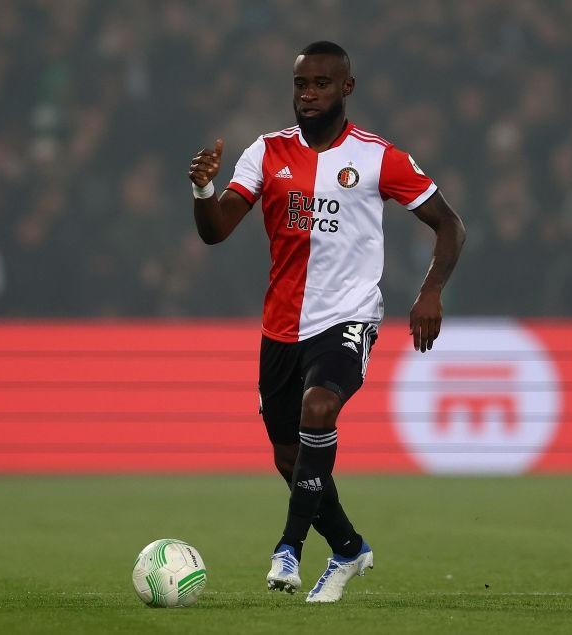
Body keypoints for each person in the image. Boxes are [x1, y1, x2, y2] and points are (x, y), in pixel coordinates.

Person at [187, 41, 466, 602]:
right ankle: (348, 548)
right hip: (281, 328)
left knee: (320, 407)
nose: (307, 94)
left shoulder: (377, 157)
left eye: (319, 83)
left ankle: (287, 549)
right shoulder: (264, 152)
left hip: (349, 316)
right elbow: (215, 230)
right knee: (288, 456)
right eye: (300, 84)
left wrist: (429, 292)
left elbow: (450, 225)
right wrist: (202, 188)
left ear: (346, 87)